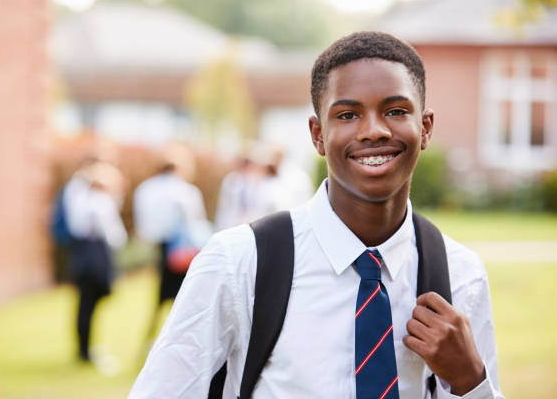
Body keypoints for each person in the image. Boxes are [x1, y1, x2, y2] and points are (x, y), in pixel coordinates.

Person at [128, 32, 503, 398]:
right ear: (317, 134)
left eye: (396, 110)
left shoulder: (460, 276)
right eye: (348, 114)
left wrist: (472, 382)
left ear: (425, 128)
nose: (373, 130)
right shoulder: (238, 262)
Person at [133, 145, 212, 341]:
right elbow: (196, 222)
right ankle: (181, 338)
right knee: (184, 297)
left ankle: (152, 337)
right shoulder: (185, 191)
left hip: (159, 248)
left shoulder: (147, 188)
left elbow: (143, 223)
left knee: (160, 298)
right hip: (180, 252)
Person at [64, 160, 128, 362]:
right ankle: (86, 350)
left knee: (84, 304)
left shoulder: (81, 200)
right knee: (90, 304)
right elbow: (115, 236)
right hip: (97, 258)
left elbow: (75, 228)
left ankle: (83, 348)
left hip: (81, 256)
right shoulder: (103, 203)